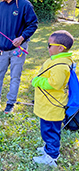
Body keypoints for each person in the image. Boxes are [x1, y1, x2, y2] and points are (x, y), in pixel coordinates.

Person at [0, 0, 38, 113]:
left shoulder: (24, 5)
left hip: (18, 49)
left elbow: (33, 24)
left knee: (15, 77)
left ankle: (10, 103)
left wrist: (22, 38)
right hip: (2, 49)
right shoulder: (0, 6)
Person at [32, 30, 74, 167]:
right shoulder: (58, 60)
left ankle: (51, 156)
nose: (48, 47)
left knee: (51, 131)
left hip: (52, 107)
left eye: (49, 45)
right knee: (46, 130)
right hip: (48, 106)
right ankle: (47, 149)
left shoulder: (61, 65)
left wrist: (37, 81)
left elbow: (54, 83)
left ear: (60, 48)